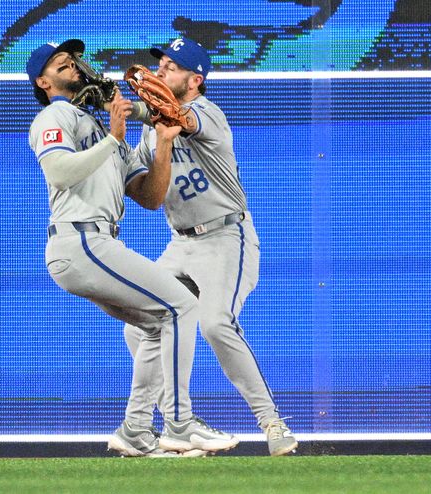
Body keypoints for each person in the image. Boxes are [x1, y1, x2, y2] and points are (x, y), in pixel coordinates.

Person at [26, 39, 239, 457]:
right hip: (79, 239)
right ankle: (179, 423)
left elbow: (149, 196)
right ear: (42, 80)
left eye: (72, 60)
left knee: (159, 323)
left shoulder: (100, 125)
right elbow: (59, 170)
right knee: (182, 307)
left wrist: (161, 142)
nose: (71, 64)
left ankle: (136, 430)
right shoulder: (54, 114)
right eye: (59, 63)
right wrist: (114, 139)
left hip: (97, 240)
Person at [121, 38, 298, 456]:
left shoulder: (207, 113)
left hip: (226, 236)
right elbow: (148, 193)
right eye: (160, 64)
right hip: (181, 242)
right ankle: (178, 424)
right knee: (140, 325)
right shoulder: (152, 133)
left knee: (216, 323)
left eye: (172, 66)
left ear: (195, 79)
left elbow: (178, 117)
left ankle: (271, 422)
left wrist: (138, 107)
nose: (160, 71)